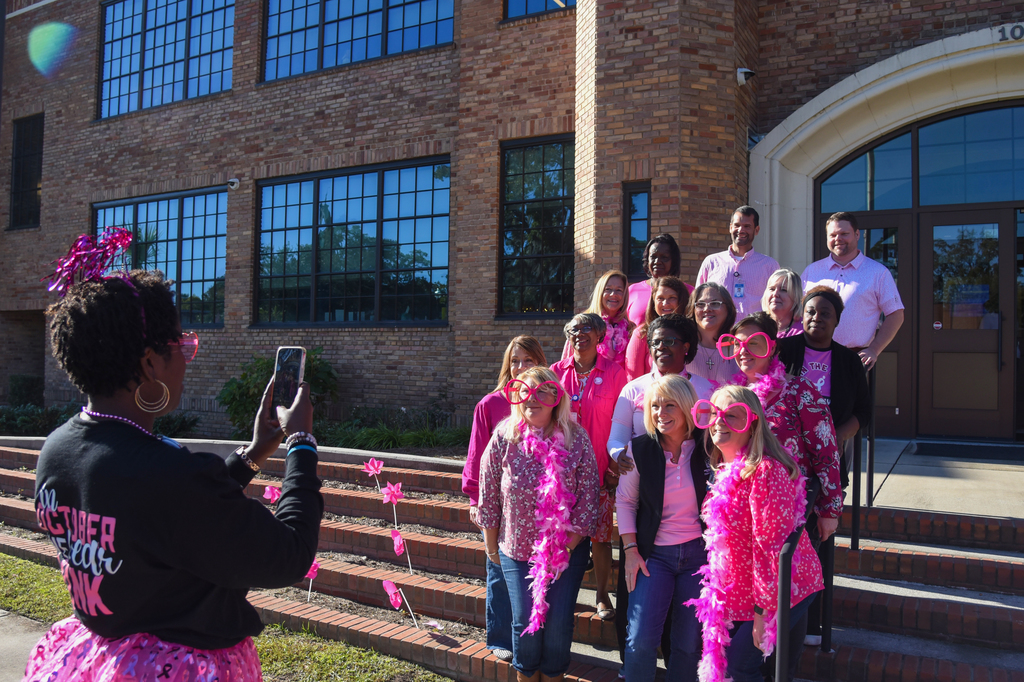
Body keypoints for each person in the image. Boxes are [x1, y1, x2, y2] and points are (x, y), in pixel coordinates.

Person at [27, 251, 323, 680]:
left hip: (98, 660)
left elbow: (161, 519)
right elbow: (288, 554)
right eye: (182, 346)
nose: (188, 358)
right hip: (177, 669)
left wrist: (256, 451)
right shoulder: (167, 477)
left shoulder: (57, 450)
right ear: (150, 363)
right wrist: (301, 443)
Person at [688, 385, 823, 682]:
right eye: (714, 414)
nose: (719, 421)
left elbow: (771, 548)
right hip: (746, 589)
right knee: (732, 665)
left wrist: (763, 612)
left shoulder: (766, 472)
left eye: (732, 415)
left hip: (784, 587)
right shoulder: (724, 470)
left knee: (740, 665)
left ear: (752, 424)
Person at [478, 367, 600, 682]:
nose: (532, 398)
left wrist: (567, 548)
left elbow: (589, 498)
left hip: (566, 552)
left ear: (556, 397)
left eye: (542, 391)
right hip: (516, 551)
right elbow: (488, 495)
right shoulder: (504, 436)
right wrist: (491, 548)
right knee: (525, 626)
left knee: (558, 625)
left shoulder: (577, 438)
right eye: (525, 391)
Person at [606, 313, 710, 671]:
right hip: (654, 554)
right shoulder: (640, 449)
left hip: (698, 554)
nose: (661, 413)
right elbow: (625, 500)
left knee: (688, 643)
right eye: (654, 407)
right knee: (640, 639)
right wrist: (630, 550)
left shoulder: (707, 450)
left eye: (670, 406)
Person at [778, 286, 871, 647]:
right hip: (788, 466)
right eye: (811, 312)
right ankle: (780, 622)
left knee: (818, 544)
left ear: (837, 321)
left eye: (825, 313)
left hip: (826, 466)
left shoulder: (848, 361)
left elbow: (863, 411)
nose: (817, 318)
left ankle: (813, 624)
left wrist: (836, 436)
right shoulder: (784, 350)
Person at [463, 335, 547, 662]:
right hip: (499, 504)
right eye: (515, 361)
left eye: (528, 360)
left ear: (540, 363)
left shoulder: (550, 401)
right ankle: (499, 636)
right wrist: (475, 498)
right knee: (498, 568)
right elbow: (476, 456)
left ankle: (533, 637)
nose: (521, 367)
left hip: (539, 507)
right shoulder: (490, 404)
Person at [722, 312, 842, 537]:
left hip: (793, 510)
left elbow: (826, 452)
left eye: (753, 343)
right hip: (744, 509)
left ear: (772, 348)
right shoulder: (731, 397)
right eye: (737, 344)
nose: (743, 350)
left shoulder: (800, 391)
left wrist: (830, 511)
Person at [551, 313, 628, 622]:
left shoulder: (616, 373)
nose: (580, 334)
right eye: (574, 329)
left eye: (587, 329)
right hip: (562, 472)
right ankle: (558, 590)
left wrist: (613, 468)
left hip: (599, 469)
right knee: (561, 532)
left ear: (599, 336)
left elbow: (622, 423)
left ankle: (601, 594)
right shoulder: (555, 372)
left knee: (600, 536)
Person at [800, 211, 905, 370]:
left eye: (844, 234)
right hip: (812, 356)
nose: (838, 239)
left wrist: (874, 349)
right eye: (832, 235)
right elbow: (796, 312)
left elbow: (896, 314)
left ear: (857, 235)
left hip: (854, 358)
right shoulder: (812, 271)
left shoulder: (877, 273)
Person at [696, 206, 780, 316]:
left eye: (747, 226)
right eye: (737, 225)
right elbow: (697, 300)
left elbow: (777, 303)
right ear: (730, 228)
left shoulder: (769, 265)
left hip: (754, 326)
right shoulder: (711, 262)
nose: (741, 230)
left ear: (756, 230)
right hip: (720, 327)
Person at [561, 270, 634, 371]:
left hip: (620, 380)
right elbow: (566, 366)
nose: (613, 294)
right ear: (600, 292)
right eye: (608, 289)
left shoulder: (630, 328)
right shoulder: (582, 325)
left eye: (619, 290)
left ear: (625, 295)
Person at [625, 276, 689, 381]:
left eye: (672, 297)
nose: (665, 303)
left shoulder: (692, 332)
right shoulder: (641, 334)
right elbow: (634, 380)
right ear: (653, 301)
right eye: (660, 298)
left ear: (681, 300)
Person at [627, 234, 692, 328]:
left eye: (664, 257)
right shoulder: (632, 291)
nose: (657, 261)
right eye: (653, 257)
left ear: (673, 260)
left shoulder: (689, 292)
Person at [685, 282, 739, 386]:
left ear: (728, 309)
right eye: (700, 304)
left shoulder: (738, 348)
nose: (707, 309)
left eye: (715, 304)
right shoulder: (683, 347)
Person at [763, 268, 804, 338]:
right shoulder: (757, 327)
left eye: (783, 290)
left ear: (795, 296)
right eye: (772, 289)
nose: (775, 294)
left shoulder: (805, 330)